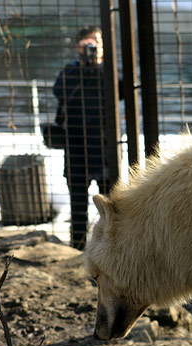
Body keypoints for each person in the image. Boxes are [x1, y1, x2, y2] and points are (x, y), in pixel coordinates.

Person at [52, 25, 119, 249]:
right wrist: (82, 67)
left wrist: (99, 67)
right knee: (77, 206)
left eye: (94, 44)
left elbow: (121, 90)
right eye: (85, 45)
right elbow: (58, 91)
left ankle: (112, 248)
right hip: (76, 148)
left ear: (102, 47)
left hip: (105, 147)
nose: (90, 49)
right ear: (78, 47)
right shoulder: (70, 72)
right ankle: (76, 249)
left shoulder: (110, 71)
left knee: (111, 205)